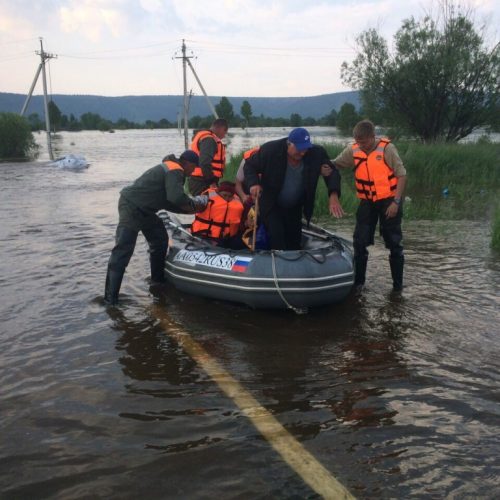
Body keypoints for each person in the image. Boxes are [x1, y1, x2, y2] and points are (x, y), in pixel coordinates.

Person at [104, 150, 208, 305]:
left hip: (146, 210)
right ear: (187, 163)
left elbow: (168, 202)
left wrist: (191, 209)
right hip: (131, 207)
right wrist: (195, 204)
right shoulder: (175, 170)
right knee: (123, 251)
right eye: (193, 168)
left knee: (159, 240)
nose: (193, 172)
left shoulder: (173, 169)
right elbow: (176, 198)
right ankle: (110, 300)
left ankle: (157, 282)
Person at [332, 119, 407, 292]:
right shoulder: (353, 149)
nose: (361, 145)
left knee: (394, 243)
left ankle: (397, 288)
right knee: (359, 242)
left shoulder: (387, 149)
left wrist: (396, 202)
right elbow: (336, 163)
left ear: (373, 137)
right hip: (367, 201)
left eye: (364, 142)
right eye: (358, 142)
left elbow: (402, 175)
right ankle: (359, 284)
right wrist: (323, 165)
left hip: (389, 200)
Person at [243, 127, 344, 250]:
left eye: (305, 148)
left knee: (294, 242)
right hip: (271, 204)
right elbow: (249, 166)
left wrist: (333, 195)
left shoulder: (315, 153)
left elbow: (332, 172)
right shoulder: (270, 150)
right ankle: (276, 264)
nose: (302, 153)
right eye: (299, 149)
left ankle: (294, 266)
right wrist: (254, 184)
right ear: (289, 143)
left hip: (295, 206)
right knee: (277, 237)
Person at [191, 181, 245, 249]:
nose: (227, 198)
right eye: (224, 195)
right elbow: (191, 204)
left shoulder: (237, 202)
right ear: (218, 192)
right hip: (204, 236)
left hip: (226, 239)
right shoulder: (206, 198)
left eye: (230, 196)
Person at [188, 118, 229, 195]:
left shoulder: (203, 136)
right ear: (221, 128)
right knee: (209, 204)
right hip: (203, 182)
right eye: (225, 132)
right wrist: (211, 182)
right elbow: (204, 163)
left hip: (200, 180)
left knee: (211, 203)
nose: (224, 136)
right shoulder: (209, 140)